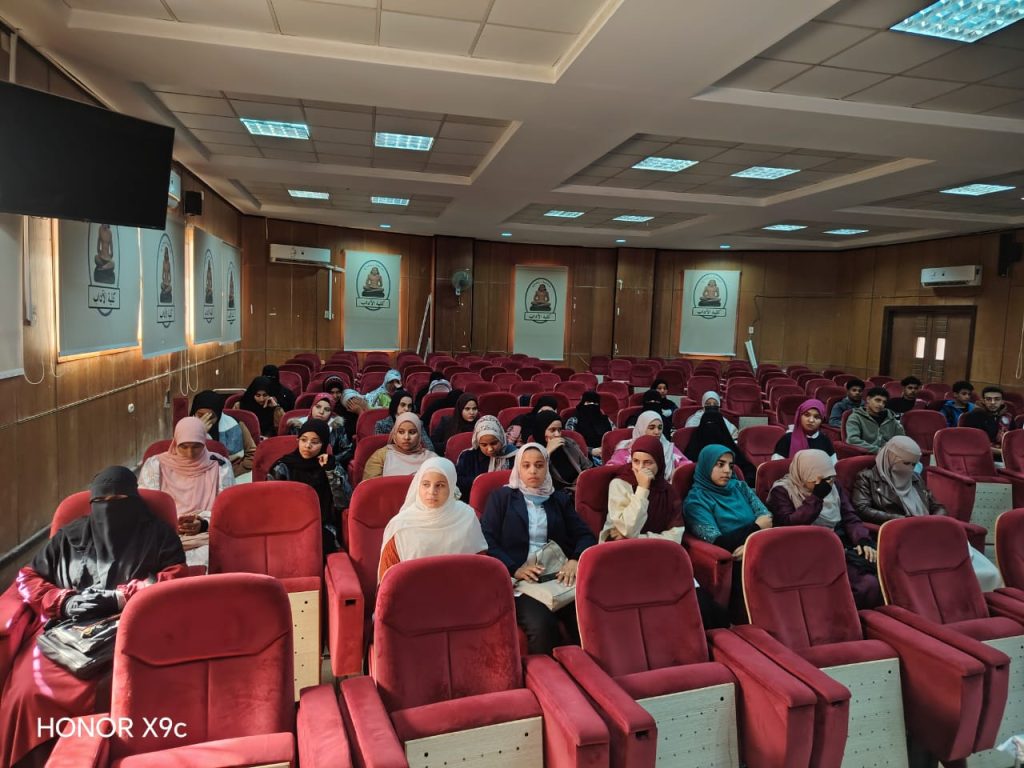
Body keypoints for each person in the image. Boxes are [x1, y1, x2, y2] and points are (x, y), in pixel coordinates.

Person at [0, 467, 186, 768]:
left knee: (135, 689)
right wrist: (63, 600)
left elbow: (174, 577)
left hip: (133, 624)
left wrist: (122, 597)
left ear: (134, 500)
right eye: (102, 502)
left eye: (120, 500)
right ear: (92, 505)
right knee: (27, 693)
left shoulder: (157, 535)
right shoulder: (69, 536)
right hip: (64, 631)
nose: (110, 509)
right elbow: (28, 577)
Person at [481, 443, 596, 654]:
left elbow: (585, 535)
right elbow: (486, 540)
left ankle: (586, 668)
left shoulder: (558, 499)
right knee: (542, 625)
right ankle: (543, 672)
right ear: (518, 468)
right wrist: (514, 568)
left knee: (585, 617)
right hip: (521, 581)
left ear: (546, 467)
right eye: (526, 466)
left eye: (539, 465)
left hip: (557, 577)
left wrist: (575, 560)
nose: (533, 471)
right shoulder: (502, 498)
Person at [851, 437, 1002, 590]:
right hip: (903, 534)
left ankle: (980, 596)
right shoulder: (867, 478)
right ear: (890, 458)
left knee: (977, 566)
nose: (910, 469)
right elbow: (862, 508)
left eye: (914, 464)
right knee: (949, 571)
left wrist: (934, 520)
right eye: (906, 463)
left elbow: (936, 505)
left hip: (930, 528)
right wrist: (904, 520)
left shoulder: (915, 478)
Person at [767, 449, 881, 609]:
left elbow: (849, 516)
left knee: (872, 580)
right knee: (854, 585)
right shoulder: (782, 491)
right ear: (804, 475)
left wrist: (862, 539)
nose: (827, 484)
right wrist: (816, 497)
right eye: (819, 480)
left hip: (837, 541)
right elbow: (791, 524)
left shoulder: (833, 485)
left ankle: (862, 617)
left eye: (830, 478)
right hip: (804, 549)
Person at [683, 444, 772, 619]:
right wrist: (756, 528)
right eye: (720, 464)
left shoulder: (740, 487)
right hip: (735, 561)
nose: (727, 471)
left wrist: (750, 546)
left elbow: (767, 518)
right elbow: (719, 542)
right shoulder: (695, 501)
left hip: (754, 550)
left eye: (730, 466)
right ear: (707, 465)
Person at [139, 417, 235, 567]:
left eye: (197, 446)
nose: (190, 453)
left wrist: (203, 524)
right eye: (184, 447)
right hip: (165, 534)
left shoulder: (220, 466)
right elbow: (147, 508)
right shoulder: (155, 465)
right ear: (176, 442)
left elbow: (227, 510)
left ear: (204, 442)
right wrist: (172, 524)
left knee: (211, 560)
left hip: (207, 535)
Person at [378, 457, 488, 582]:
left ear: (451, 486)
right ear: (418, 485)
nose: (432, 492)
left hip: (462, 589)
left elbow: (480, 565)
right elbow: (388, 579)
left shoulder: (466, 516)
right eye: (425, 484)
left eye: (440, 485)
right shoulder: (401, 525)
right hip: (413, 592)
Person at [268, 419, 349, 555]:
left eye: (315, 442)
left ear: (324, 444)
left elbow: (343, 503)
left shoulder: (331, 466)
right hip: (286, 524)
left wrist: (330, 472)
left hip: (321, 525)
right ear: (298, 440)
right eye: (303, 440)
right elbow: (271, 505)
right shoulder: (282, 466)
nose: (307, 446)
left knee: (317, 545)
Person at [602, 435, 685, 544]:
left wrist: (639, 538)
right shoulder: (620, 484)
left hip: (656, 550)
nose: (640, 468)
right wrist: (642, 489)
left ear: (659, 463)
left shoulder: (668, 491)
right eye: (636, 461)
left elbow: (675, 537)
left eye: (648, 462)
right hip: (621, 549)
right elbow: (628, 529)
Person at [607, 411, 690, 479]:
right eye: (651, 428)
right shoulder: (626, 450)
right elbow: (611, 470)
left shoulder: (667, 447)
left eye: (660, 428)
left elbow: (686, 465)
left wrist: (677, 473)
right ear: (641, 428)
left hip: (664, 490)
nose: (657, 432)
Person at [190, 390, 255, 476]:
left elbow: (252, 454)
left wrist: (233, 472)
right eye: (200, 415)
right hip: (199, 475)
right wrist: (199, 433)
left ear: (219, 415)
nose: (205, 420)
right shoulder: (185, 429)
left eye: (210, 417)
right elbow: (185, 458)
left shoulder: (236, 424)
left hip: (234, 472)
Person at [684, 409, 757, 486]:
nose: (712, 429)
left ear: (722, 426)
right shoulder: (693, 450)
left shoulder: (730, 448)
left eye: (716, 424)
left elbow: (748, 471)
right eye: (708, 424)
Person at [455, 415, 516, 500]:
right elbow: (458, 481)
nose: (490, 449)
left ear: (501, 438)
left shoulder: (514, 455)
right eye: (484, 445)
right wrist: (481, 482)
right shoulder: (468, 456)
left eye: (494, 443)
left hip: (507, 501)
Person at [529, 411, 592, 492]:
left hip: (581, 488)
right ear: (541, 431)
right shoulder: (532, 452)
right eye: (552, 430)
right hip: (555, 494)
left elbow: (587, 466)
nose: (557, 434)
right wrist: (547, 452)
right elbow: (537, 481)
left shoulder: (568, 443)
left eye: (559, 430)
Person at [363, 413, 437, 481]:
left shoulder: (431, 458)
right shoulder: (381, 456)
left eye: (412, 432)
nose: (406, 437)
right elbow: (371, 487)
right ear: (394, 434)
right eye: (401, 432)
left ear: (419, 435)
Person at [285, 392, 352, 459]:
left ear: (331, 413)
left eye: (327, 409)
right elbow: (288, 450)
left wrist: (332, 459)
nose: (321, 412)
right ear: (312, 407)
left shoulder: (337, 428)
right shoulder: (297, 426)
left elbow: (348, 450)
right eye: (318, 407)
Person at [772, 398, 836, 463]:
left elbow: (833, 464)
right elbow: (777, 466)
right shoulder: (787, 439)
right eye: (807, 415)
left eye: (816, 417)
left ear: (821, 420)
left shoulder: (825, 440)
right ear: (800, 416)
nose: (811, 420)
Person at [845, 387, 905, 455]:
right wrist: (878, 450)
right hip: (866, 454)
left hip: (890, 455)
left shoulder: (890, 418)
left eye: (884, 402)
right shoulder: (856, 417)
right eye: (878, 400)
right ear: (868, 399)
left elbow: (902, 439)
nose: (881, 404)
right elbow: (852, 440)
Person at [960, 385, 1015, 458]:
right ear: (983, 401)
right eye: (988, 399)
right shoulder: (973, 416)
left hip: (1006, 456)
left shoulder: (1008, 417)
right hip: (981, 457)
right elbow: (972, 443)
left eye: (997, 399)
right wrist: (1002, 452)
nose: (993, 402)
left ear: (1002, 401)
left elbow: (1014, 441)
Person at [564, 390, 613, 459]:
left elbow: (614, 436)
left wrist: (604, 448)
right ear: (582, 403)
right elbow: (570, 442)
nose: (592, 405)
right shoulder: (574, 420)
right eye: (588, 402)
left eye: (595, 403)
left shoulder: (606, 419)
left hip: (606, 454)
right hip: (582, 457)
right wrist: (590, 450)